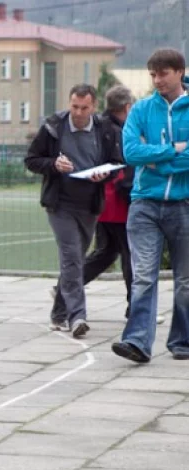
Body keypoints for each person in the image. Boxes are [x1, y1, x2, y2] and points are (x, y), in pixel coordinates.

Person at [25, 83, 123, 338]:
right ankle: (77, 316)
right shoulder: (53, 127)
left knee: (76, 259)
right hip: (60, 203)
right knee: (71, 256)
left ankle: (58, 313)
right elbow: (31, 160)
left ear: (94, 107)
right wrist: (53, 164)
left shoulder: (105, 130)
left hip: (90, 203)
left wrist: (103, 174)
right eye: (74, 107)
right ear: (69, 104)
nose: (78, 113)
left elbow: (116, 161)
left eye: (84, 107)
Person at [112, 48, 189, 364]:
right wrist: (174, 151)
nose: (157, 80)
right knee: (143, 274)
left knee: (185, 280)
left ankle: (183, 341)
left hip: (184, 205)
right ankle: (137, 342)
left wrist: (157, 158)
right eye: (153, 74)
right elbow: (131, 153)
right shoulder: (141, 110)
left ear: (180, 72)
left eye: (163, 73)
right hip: (144, 205)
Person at [50, 85, 135, 315]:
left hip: (101, 201)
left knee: (106, 253)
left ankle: (63, 293)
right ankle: (135, 307)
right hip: (115, 203)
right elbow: (122, 169)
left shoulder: (103, 126)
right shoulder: (116, 130)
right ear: (128, 107)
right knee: (129, 254)